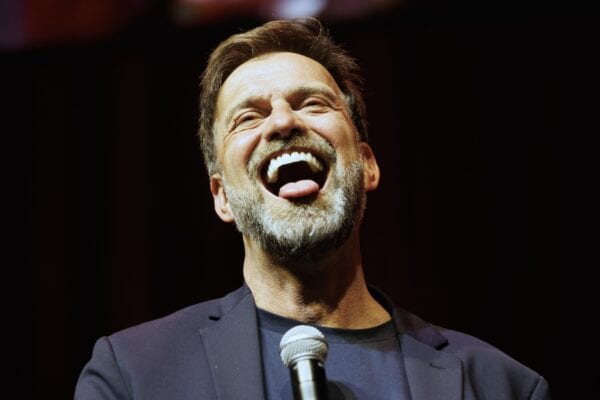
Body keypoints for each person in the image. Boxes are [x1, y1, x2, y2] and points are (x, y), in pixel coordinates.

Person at [75, 17, 550, 399]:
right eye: (249, 116)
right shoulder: (133, 376)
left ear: (367, 164)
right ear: (221, 197)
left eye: (313, 103)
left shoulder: (499, 385)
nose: (282, 121)